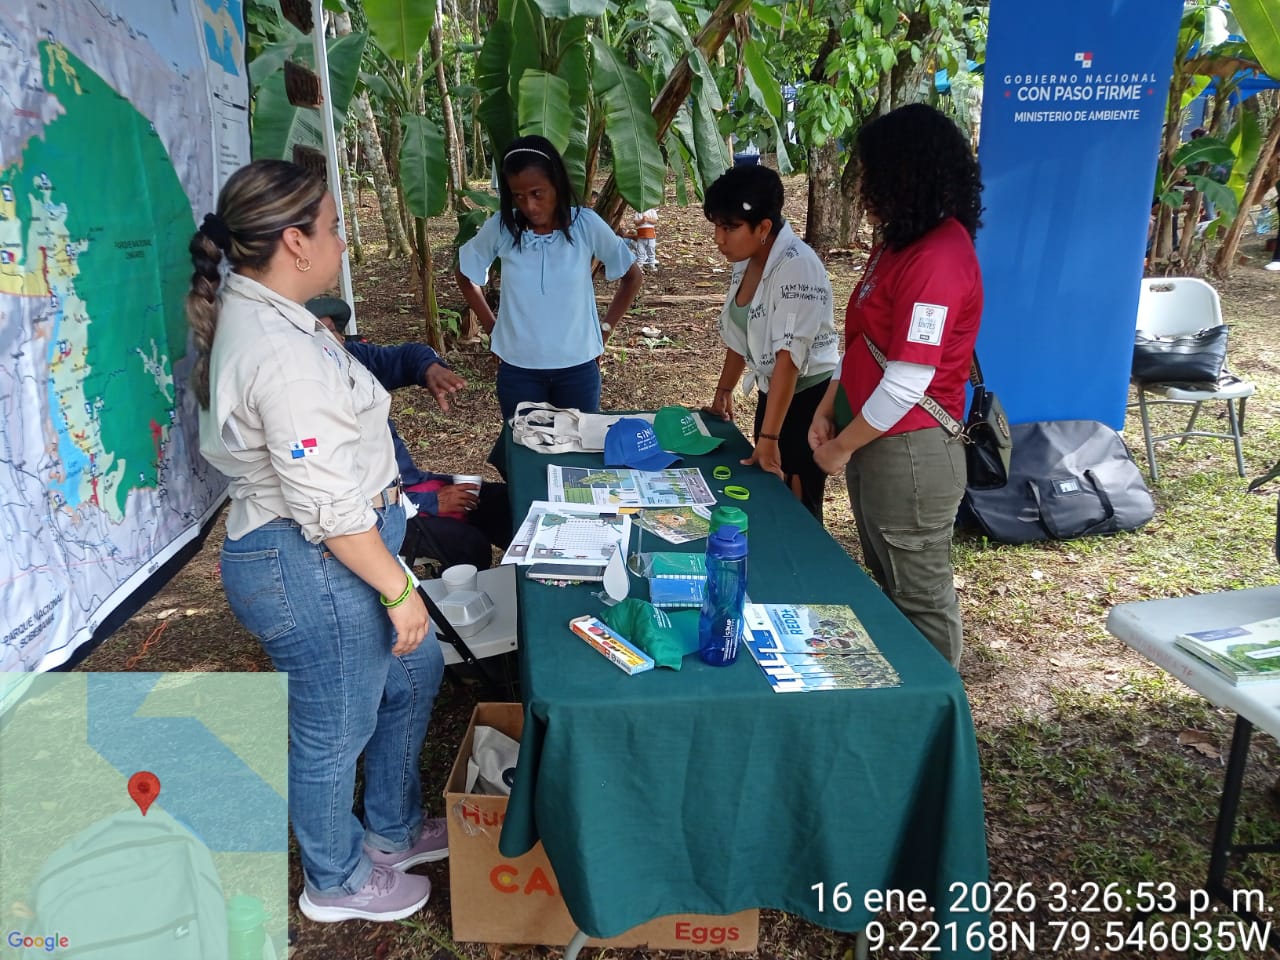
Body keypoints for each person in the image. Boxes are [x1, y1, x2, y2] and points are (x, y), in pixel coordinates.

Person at [188, 159, 446, 924]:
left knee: (414, 671)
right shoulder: (280, 351)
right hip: (310, 560)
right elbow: (327, 506)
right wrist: (398, 589)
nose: (342, 242)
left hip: (342, 545)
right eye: (333, 228)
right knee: (335, 728)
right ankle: (335, 879)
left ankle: (392, 829)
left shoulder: (287, 319)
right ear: (295, 242)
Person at [808, 103, 984, 668]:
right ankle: (905, 692)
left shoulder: (938, 256)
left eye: (870, 172)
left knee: (919, 595)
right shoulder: (897, 244)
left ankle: (936, 703)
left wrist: (841, 446)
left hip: (909, 448)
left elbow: (909, 379)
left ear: (904, 173)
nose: (862, 187)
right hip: (875, 439)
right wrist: (829, 407)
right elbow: (864, 340)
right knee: (889, 578)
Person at [306, 296, 513, 570]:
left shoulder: (351, 359)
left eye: (333, 330)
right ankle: (462, 595)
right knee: (468, 543)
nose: (336, 339)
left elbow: (407, 355)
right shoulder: (303, 406)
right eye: (320, 333)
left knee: (506, 505)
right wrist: (430, 502)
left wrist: (429, 368)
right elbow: (338, 498)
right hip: (378, 513)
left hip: (408, 484)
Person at [455, 135, 644, 421]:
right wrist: (494, 330)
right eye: (518, 196)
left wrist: (604, 330)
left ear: (557, 184)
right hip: (518, 370)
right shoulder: (502, 228)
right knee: (525, 445)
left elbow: (632, 276)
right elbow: (465, 273)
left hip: (578, 368)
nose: (529, 206)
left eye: (537, 193)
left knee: (577, 444)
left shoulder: (586, 225)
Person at [701, 165, 840, 520]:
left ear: (763, 227)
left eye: (729, 228)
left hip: (807, 402)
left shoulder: (798, 267)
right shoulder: (747, 258)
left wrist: (770, 437)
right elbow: (742, 332)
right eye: (716, 226)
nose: (719, 239)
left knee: (797, 508)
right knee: (770, 495)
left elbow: (789, 360)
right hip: (774, 392)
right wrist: (725, 389)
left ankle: (807, 557)